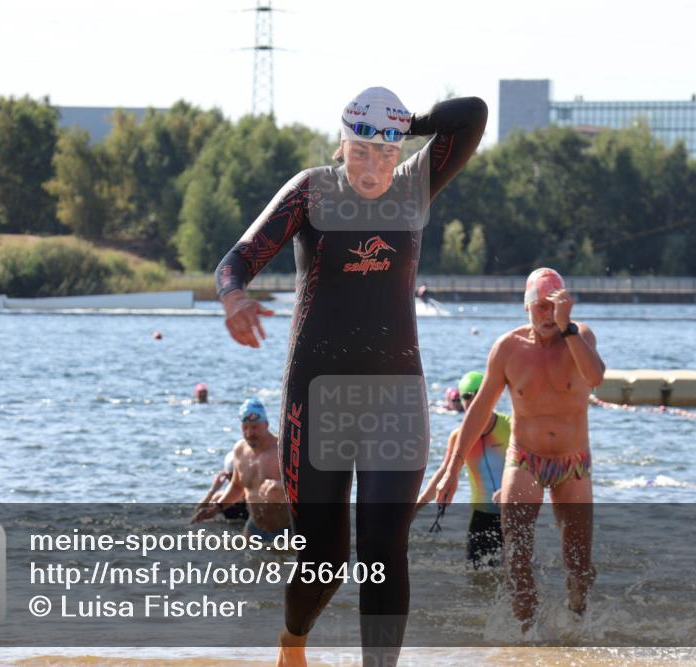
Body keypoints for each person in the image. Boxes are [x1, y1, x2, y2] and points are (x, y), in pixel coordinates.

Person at [215, 86, 487, 667]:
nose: (374, 166)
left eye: (385, 153)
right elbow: (235, 261)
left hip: (396, 399)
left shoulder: (416, 184)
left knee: (386, 550)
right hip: (316, 402)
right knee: (325, 560)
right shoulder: (312, 191)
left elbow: (472, 116)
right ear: (342, 146)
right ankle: (292, 642)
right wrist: (234, 299)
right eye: (361, 150)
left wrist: (402, 122)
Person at [436, 268, 605, 632]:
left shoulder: (581, 336)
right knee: (516, 552)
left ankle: (576, 625)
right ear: (526, 307)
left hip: (573, 463)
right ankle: (526, 633)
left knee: (579, 564)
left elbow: (595, 377)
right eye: (540, 307)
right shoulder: (509, 348)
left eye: (555, 306)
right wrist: (451, 470)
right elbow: (479, 409)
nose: (548, 316)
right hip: (524, 459)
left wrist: (569, 327)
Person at [418, 371, 511, 568]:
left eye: (476, 394)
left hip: (512, 512)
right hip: (481, 516)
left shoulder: (510, 426)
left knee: (517, 572)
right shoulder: (459, 437)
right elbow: (445, 472)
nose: (471, 401)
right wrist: (419, 504)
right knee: (476, 576)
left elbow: (525, 464)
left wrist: (510, 490)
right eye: (466, 396)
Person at [191, 399, 290, 540]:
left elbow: (308, 485)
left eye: (255, 427)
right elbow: (237, 487)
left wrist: (282, 486)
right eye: (245, 428)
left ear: (266, 424)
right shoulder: (240, 450)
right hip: (254, 527)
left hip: (286, 529)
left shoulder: (282, 450)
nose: (250, 433)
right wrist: (216, 509)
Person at [190, 451, 249, 523]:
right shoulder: (220, 498)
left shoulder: (255, 496)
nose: (238, 479)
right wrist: (212, 490)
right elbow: (196, 517)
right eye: (234, 476)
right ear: (227, 476)